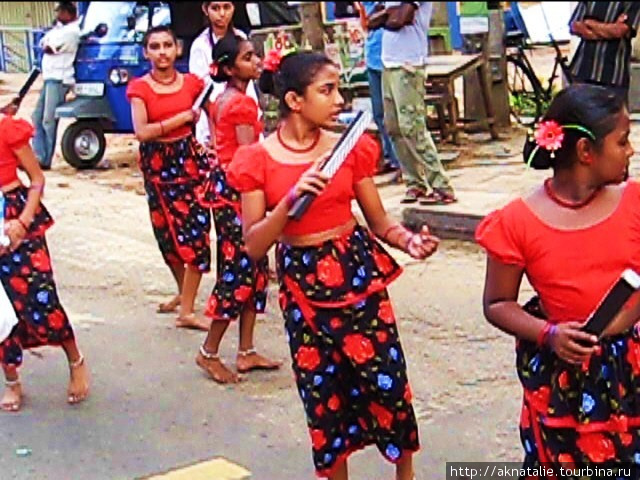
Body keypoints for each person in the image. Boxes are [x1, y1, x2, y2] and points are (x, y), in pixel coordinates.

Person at [228, 51, 439, 480]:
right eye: (327, 91)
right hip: (303, 288)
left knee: (388, 382)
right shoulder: (258, 160)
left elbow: (380, 222)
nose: (339, 99)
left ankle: (406, 475)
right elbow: (253, 245)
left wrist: (410, 241)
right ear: (294, 100)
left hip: (358, 276)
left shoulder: (349, 149)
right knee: (323, 394)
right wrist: (288, 203)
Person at [476, 84, 640, 475]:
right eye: (622, 141)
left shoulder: (635, 203)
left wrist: (627, 319)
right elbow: (497, 303)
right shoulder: (517, 222)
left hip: (631, 370)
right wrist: (549, 334)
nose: (631, 151)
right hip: (562, 381)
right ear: (586, 152)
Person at [196, 33, 281, 383]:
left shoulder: (225, 98)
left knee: (251, 269)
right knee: (241, 269)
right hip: (237, 191)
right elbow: (248, 157)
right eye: (248, 58)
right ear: (230, 67)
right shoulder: (242, 104)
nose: (256, 61)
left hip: (226, 186)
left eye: (256, 56)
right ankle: (209, 351)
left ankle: (246, 350)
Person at [0, 100, 89, 412]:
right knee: (1, 310)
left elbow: (37, 179)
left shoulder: (7, 128)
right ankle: (12, 380)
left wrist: (22, 222)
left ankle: (75, 359)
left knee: (41, 297)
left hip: (15, 217)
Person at [127, 26, 212, 331]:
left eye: (167, 45)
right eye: (155, 46)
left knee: (196, 236)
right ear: (146, 52)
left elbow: (213, 116)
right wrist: (182, 118)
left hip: (188, 162)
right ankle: (183, 295)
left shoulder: (193, 83)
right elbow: (142, 131)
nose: (162, 52)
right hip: (157, 165)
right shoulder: (139, 88)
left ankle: (186, 310)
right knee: (167, 236)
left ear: (178, 49)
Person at [381, 1, 456, 205]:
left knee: (412, 127)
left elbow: (400, 19)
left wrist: (385, 17)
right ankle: (414, 182)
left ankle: (441, 185)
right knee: (394, 127)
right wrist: (386, 15)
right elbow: (373, 18)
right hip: (389, 63)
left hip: (409, 64)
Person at [189, 1, 260, 147]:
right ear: (205, 9)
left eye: (227, 7)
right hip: (216, 118)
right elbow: (201, 92)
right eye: (215, 8)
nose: (222, 14)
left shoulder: (241, 36)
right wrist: (214, 132)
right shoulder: (200, 46)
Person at [32, 1, 80, 170]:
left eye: (60, 11)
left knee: (48, 119)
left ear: (68, 12)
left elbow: (50, 48)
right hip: (49, 77)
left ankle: (45, 158)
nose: (57, 14)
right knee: (36, 117)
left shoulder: (73, 32)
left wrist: (46, 45)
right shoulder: (59, 29)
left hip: (60, 78)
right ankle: (39, 154)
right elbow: (42, 42)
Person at [356, 1, 401, 175]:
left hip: (389, 55)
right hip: (372, 54)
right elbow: (365, 23)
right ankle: (390, 156)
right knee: (378, 112)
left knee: (392, 113)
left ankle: (400, 160)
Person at [569, 2, 640, 103]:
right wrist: (609, 29)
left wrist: (590, 23)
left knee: (611, 117)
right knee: (579, 116)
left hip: (613, 77)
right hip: (582, 71)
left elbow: (620, 31)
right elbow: (574, 26)